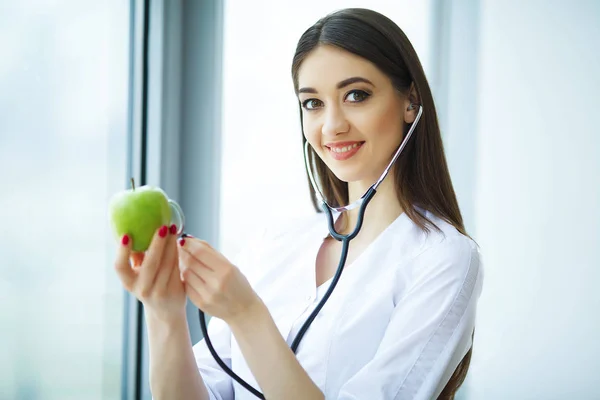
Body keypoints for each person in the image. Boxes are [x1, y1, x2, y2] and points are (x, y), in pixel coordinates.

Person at [113, 7, 484, 400]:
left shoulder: (443, 260)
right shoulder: (277, 243)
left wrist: (247, 315)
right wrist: (164, 310)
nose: (332, 125)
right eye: (313, 103)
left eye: (356, 95)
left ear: (410, 101)